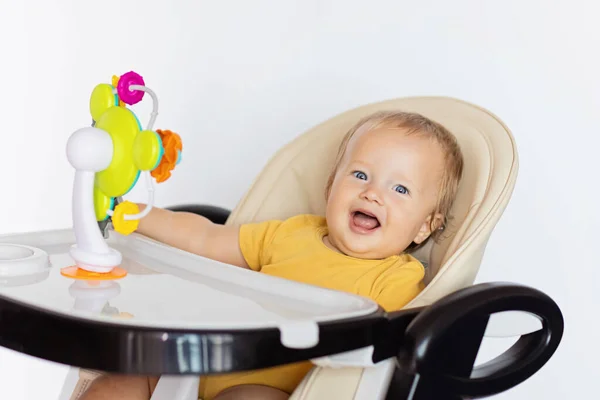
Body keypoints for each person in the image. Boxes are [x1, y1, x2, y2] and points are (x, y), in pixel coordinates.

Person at [81, 110, 464, 400]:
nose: (373, 194)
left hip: (272, 388)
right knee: (115, 382)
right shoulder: (291, 233)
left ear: (425, 226)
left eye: (400, 189)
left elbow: (380, 346)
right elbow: (206, 238)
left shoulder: (396, 278)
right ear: (332, 186)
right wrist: (133, 214)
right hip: (201, 363)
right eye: (361, 176)